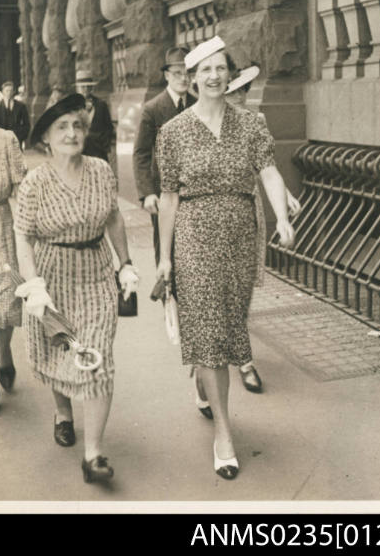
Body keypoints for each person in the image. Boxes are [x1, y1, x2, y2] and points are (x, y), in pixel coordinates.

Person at [155, 36, 295, 480]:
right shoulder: (173, 132)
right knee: (210, 330)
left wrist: (282, 220)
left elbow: (269, 172)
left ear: (227, 74)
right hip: (194, 236)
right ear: (192, 78)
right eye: (205, 70)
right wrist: (164, 258)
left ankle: (203, 377)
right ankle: (225, 433)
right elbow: (169, 197)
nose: (214, 76)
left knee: (227, 326)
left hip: (239, 237)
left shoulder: (251, 124)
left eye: (221, 68)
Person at [13, 93, 139, 484]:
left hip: (96, 275)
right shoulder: (35, 182)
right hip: (52, 279)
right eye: (62, 127)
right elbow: (23, 236)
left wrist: (127, 264)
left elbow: (114, 217)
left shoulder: (101, 170)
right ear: (46, 138)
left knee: (98, 359)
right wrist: (34, 285)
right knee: (60, 352)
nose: (72, 133)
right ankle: (64, 412)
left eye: (78, 126)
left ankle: (94, 455)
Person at [223, 63, 302, 394]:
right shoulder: (198, 121)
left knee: (242, 286)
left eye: (245, 89)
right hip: (209, 215)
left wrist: (283, 203)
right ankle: (224, 353)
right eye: (236, 90)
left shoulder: (256, 122)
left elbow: (266, 167)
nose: (242, 95)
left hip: (248, 210)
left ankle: (242, 359)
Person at [132, 46, 196, 267]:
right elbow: (140, 153)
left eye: (188, 72)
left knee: (192, 249)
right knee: (165, 249)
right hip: (162, 193)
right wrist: (147, 193)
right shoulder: (153, 108)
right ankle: (168, 296)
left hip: (193, 192)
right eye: (177, 73)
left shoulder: (198, 105)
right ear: (167, 75)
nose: (183, 78)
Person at [0, 94, 28, 419]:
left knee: (4, 304)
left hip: (0, 227)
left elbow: (22, 190)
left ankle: (2, 349)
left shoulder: (5, 139)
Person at [75, 70, 117, 177]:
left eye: (87, 87)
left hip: (98, 152)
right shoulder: (72, 107)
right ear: (77, 88)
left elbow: (108, 128)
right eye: (82, 87)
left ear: (91, 88)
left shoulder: (101, 105)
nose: (85, 89)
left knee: (99, 182)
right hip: (79, 152)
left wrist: (102, 143)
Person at [0, 80, 31, 149]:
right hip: (2, 141)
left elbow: (26, 124)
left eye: (11, 90)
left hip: (16, 140)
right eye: (7, 90)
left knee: (17, 159)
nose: (9, 93)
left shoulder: (21, 106)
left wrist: (20, 137)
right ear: (3, 91)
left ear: (14, 92)